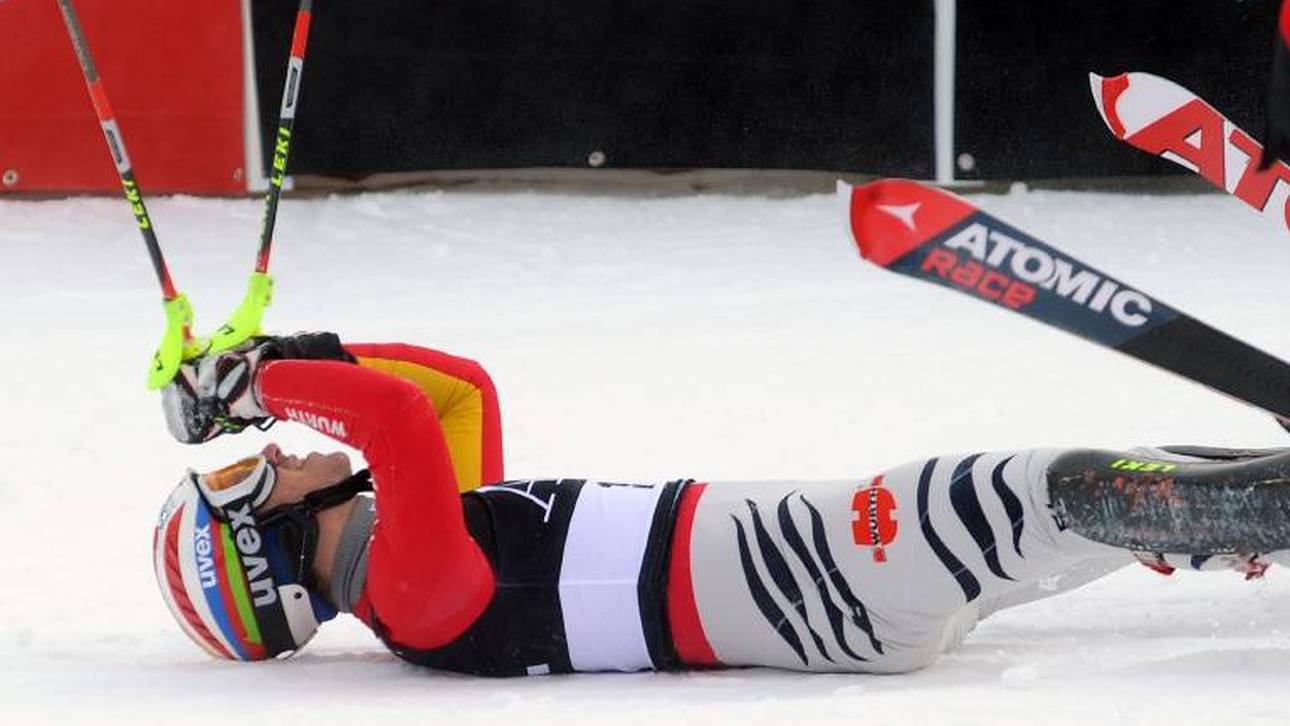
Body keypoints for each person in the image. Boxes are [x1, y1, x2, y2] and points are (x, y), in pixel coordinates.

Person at [154, 333, 1290, 674]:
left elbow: (452, 391)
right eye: (244, 476)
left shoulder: (427, 541)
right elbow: (393, 422)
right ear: (268, 541)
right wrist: (255, 383)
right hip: (838, 565)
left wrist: (313, 352)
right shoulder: (413, 595)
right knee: (1069, 486)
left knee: (1142, 484)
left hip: (840, 584)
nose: (279, 451)